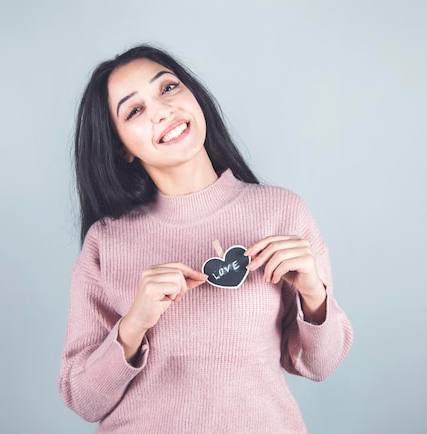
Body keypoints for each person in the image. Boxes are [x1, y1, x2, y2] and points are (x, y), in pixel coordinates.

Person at [58, 45, 353, 433]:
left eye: (168, 88)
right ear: (121, 148)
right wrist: (133, 325)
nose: (162, 110)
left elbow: (321, 365)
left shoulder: (282, 212)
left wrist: (314, 295)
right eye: (134, 110)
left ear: (194, 97)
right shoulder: (106, 242)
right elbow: (82, 398)